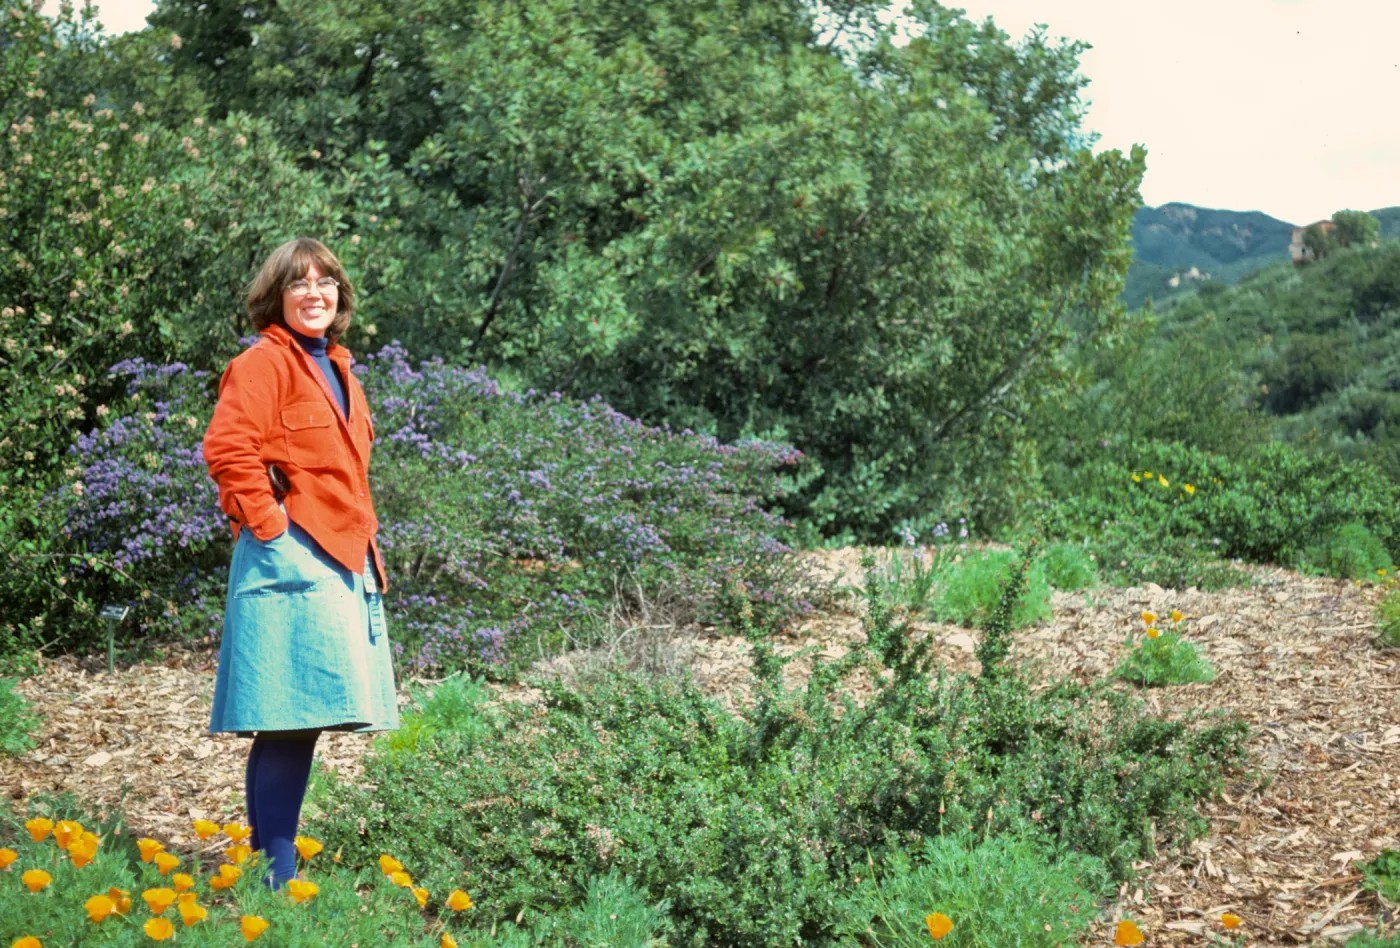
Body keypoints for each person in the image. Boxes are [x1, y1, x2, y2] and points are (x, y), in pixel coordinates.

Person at [202, 237, 399, 888]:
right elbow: (229, 448)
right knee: (290, 720)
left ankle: (271, 879)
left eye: (326, 282)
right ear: (275, 297)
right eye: (299, 283)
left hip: (340, 559)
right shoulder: (263, 363)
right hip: (290, 558)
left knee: (299, 725)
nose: (315, 293)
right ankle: (276, 886)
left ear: (340, 296)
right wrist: (270, 523)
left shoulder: (339, 368)